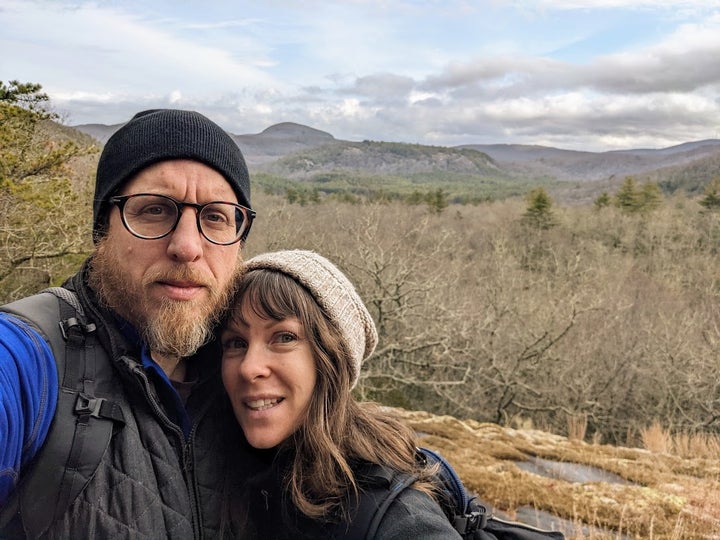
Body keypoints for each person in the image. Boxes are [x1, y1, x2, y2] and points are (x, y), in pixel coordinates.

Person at [0, 109, 256, 538]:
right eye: (155, 210)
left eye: (215, 216)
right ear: (104, 231)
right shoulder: (29, 357)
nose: (187, 247)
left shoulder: (250, 375)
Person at [220, 249, 463, 539]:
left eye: (284, 337)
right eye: (236, 342)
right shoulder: (218, 470)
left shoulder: (396, 516)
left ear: (332, 360)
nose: (250, 368)